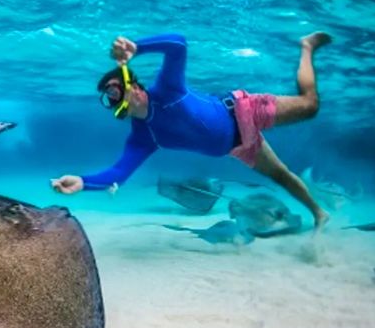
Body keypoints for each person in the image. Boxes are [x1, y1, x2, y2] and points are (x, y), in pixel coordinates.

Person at [50, 31, 333, 230]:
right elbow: (118, 175)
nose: (112, 100)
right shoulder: (143, 136)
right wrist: (83, 183)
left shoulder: (167, 89)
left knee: (310, 106)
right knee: (281, 175)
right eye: (107, 99)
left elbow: (178, 44)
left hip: (241, 110)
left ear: (133, 85)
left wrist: (137, 47)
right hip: (236, 147)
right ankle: (320, 214)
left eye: (113, 91)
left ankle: (307, 46)